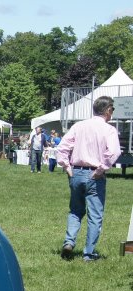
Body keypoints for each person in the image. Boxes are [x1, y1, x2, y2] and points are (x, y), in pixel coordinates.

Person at [56, 96, 121, 261]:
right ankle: (89, 253)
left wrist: (67, 167)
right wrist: (101, 170)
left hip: (76, 172)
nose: (112, 112)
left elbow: (62, 147)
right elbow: (113, 152)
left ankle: (69, 242)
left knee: (75, 211)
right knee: (95, 215)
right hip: (94, 174)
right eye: (112, 109)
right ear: (107, 110)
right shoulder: (109, 130)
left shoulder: (79, 126)